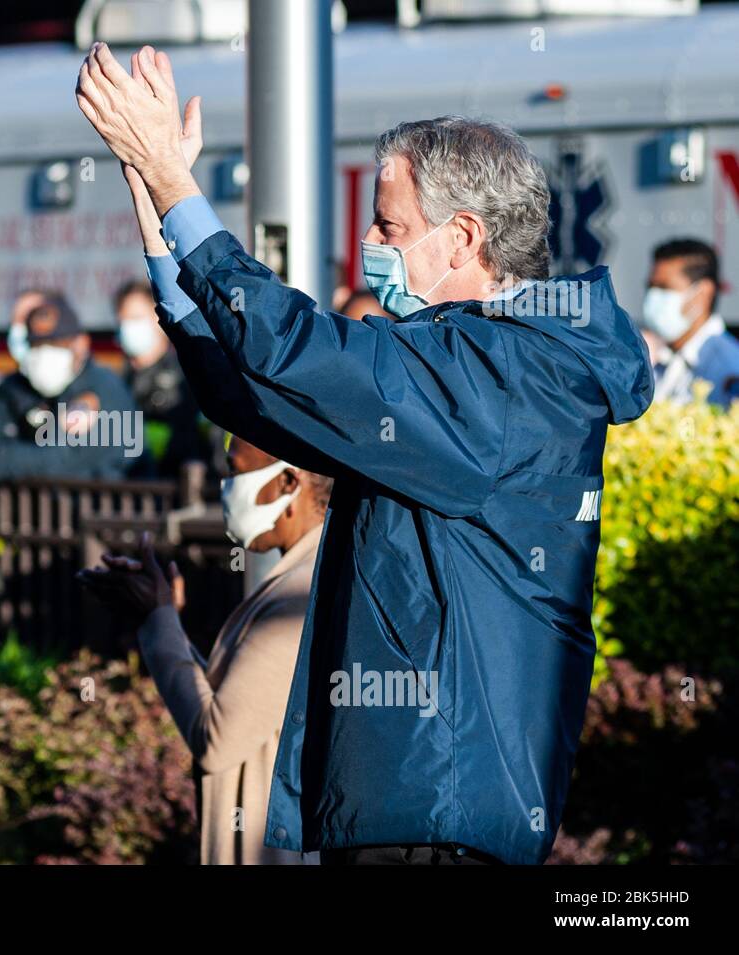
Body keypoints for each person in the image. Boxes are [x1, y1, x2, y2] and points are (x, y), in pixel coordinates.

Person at [77, 44, 653, 865]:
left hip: (440, 808)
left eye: (389, 226)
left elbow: (302, 349)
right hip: (407, 801)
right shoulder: (469, 361)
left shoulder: (511, 372)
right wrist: (156, 210)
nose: (372, 245)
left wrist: (177, 182)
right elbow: (258, 394)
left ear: (463, 239)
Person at [79, 435, 331, 864]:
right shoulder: (305, 573)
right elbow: (237, 704)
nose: (226, 486)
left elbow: (218, 739)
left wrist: (159, 620)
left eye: (236, 471)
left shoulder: (301, 592)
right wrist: (160, 619)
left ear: (289, 483)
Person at [0, 294, 143, 479]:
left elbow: (63, 460)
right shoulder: (16, 387)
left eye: (55, 344)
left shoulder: (102, 387)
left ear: (80, 344)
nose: (44, 354)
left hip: (111, 521)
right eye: (37, 345)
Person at [113, 278, 204, 476]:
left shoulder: (184, 376)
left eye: (136, 318)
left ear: (158, 318)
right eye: (123, 320)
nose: (129, 327)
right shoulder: (118, 379)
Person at [639, 238, 739, 407]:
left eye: (664, 288)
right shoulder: (657, 359)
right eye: (650, 287)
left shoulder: (728, 368)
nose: (652, 297)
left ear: (703, 293)